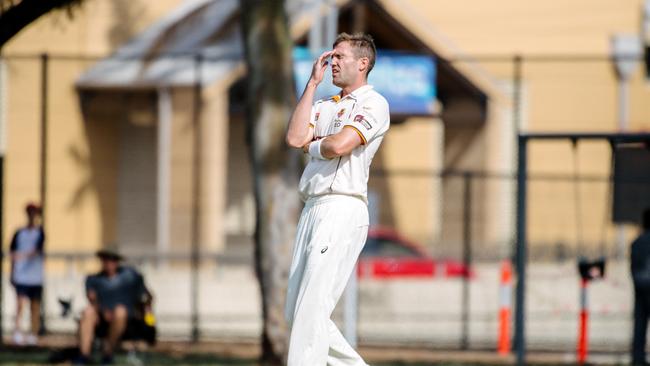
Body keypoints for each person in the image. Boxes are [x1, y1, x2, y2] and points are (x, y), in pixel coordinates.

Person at [284, 32, 389, 366]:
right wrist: (312, 84)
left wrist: (314, 145)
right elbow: (294, 136)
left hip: (342, 206)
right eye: (331, 56)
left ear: (363, 63)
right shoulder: (324, 104)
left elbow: (339, 146)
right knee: (296, 312)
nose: (332, 62)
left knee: (310, 311)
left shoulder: (373, 103)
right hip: (313, 207)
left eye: (340, 56)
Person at [75, 247, 153, 365]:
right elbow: (92, 301)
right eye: (105, 259)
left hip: (127, 320)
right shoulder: (94, 279)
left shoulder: (131, 277)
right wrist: (99, 310)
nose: (108, 263)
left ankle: (108, 352)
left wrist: (146, 310)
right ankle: (84, 355)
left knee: (120, 311)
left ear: (117, 261)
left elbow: (146, 297)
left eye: (112, 259)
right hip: (101, 319)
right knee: (88, 311)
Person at [9, 202, 45, 346]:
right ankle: (17, 331)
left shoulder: (40, 232)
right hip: (21, 275)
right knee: (20, 304)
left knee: (34, 306)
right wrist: (12, 271)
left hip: (35, 276)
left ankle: (33, 333)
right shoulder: (19, 233)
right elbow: (12, 253)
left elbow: (37, 251)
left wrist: (21, 257)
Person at [631, 208, 650, 366]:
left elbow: (633, 268)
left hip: (640, 288)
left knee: (640, 326)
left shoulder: (636, 243)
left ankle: (638, 359)